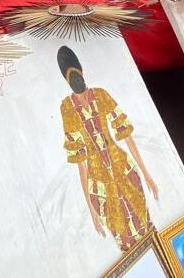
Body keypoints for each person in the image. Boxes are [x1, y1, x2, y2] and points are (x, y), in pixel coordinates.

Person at [57, 45, 158, 252]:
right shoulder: (66, 109)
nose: (76, 81)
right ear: (66, 81)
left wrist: (147, 174)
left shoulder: (101, 95)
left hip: (123, 168)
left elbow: (127, 136)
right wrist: (92, 209)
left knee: (144, 223)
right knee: (124, 239)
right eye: (71, 78)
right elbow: (80, 164)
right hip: (99, 182)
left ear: (82, 72)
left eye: (77, 75)